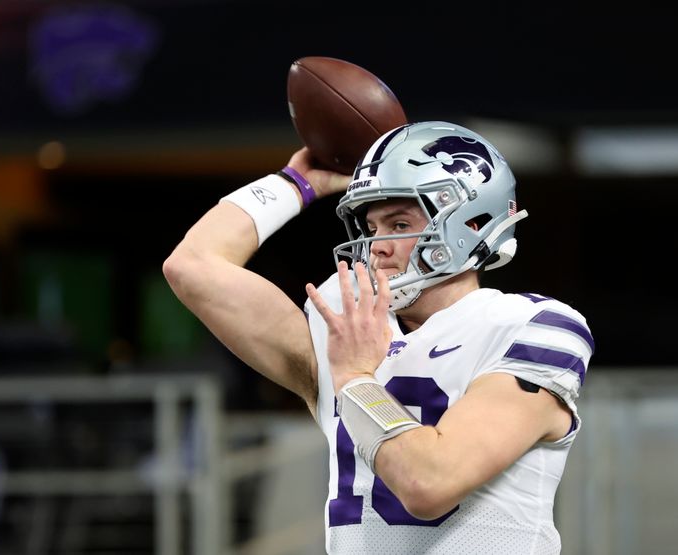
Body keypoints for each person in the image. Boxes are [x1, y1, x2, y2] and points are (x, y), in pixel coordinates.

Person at [163, 120, 594, 554]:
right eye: (371, 230)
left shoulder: (531, 326)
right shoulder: (345, 327)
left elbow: (427, 483)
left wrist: (354, 376)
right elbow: (192, 266)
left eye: (399, 222)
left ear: (470, 220)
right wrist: (295, 184)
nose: (377, 246)